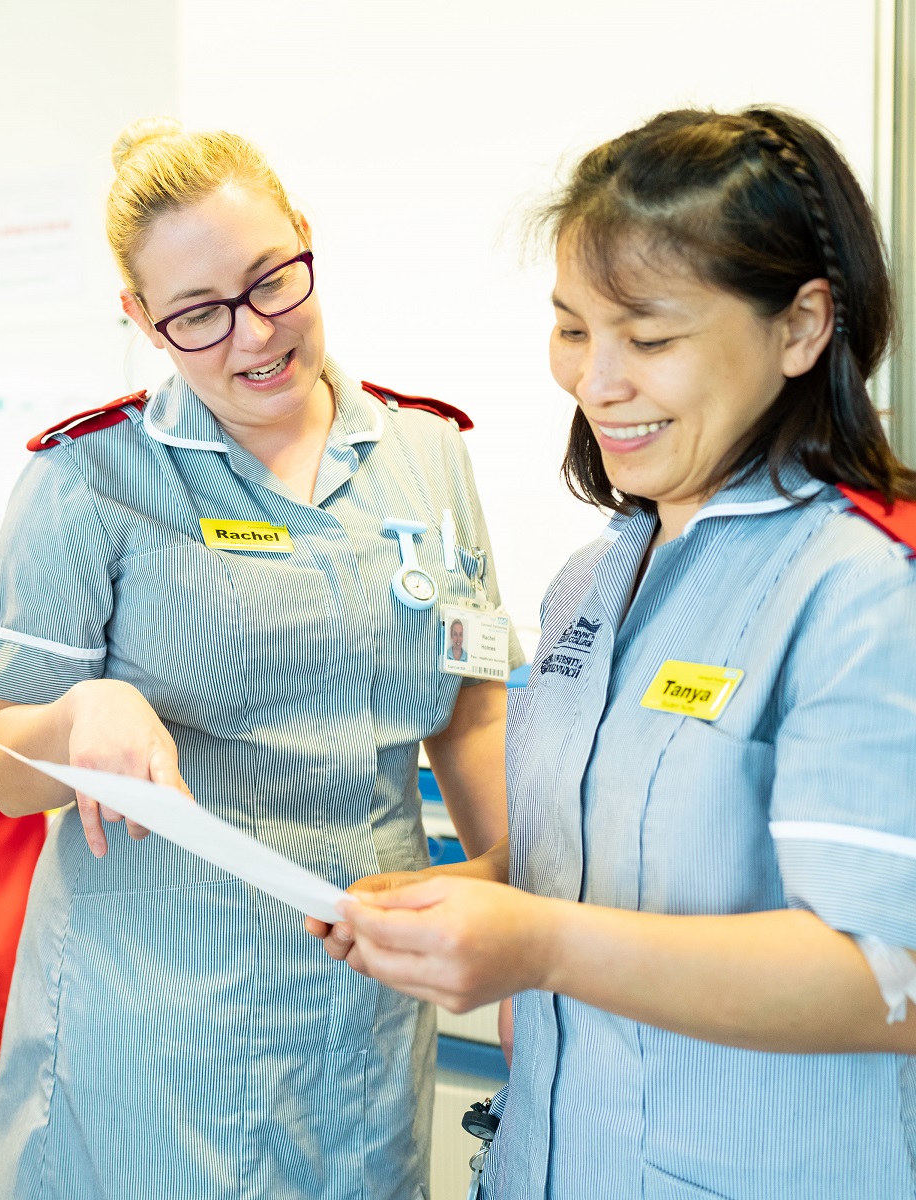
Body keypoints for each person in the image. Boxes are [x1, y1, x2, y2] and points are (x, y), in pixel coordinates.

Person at [311, 108, 916, 1199]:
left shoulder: (867, 589)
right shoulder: (594, 580)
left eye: (649, 338)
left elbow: (894, 982)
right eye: (572, 330)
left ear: (802, 326)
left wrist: (540, 945)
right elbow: (593, 873)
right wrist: (457, 908)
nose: (596, 381)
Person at [0, 117, 520, 1199]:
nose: (253, 335)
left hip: (364, 994)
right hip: (160, 1010)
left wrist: (517, 904)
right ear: (140, 319)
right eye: (198, 316)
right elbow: (1, 766)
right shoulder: (92, 479)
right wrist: (89, 707)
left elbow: (471, 708)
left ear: (305, 240)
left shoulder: (428, 454)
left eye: (272, 282)